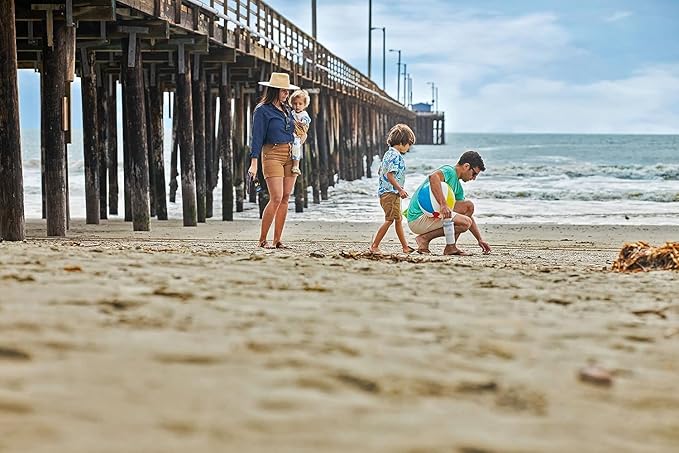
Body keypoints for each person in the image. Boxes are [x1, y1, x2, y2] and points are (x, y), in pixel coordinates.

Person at [247, 72, 303, 249]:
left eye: (287, 91)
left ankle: (277, 240)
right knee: (276, 197)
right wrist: (254, 163)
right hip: (272, 154)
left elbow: (293, 131)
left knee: (286, 197)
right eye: (283, 91)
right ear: (274, 90)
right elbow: (256, 138)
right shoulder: (262, 110)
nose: (287, 94)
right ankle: (262, 240)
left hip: (291, 154)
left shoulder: (287, 109)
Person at [405, 150, 492, 255]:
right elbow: (433, 177)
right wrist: (443, 204)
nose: (473, 178)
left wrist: (479, 239)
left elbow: (467, 214)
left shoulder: (458, 188)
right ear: (466, 166)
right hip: (417, 218)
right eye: (474, 174)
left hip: (428, 218)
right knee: (465, 222)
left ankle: (450, 247)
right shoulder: (449, 171)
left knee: (468, 208)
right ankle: (424, 239)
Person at [369, 124, 417, 254]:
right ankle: (374, 246)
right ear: (401, 142)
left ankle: (405, 247)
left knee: (398, 219)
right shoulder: (395, 156)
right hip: (390, 193)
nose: (409, 147)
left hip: (390, 193)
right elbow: (389, 175)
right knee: (389, 220)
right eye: (409, 144)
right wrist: (400, 189)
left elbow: (381, 171)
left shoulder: (388, 154)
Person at [288, 89, 312, 175]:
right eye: (295, 103)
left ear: (305, 105)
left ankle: (296, 165)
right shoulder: (292, 113)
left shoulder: (304, 114)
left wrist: (303, 123)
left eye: (300, 104)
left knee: (296, 146)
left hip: (298, 134)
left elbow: (307, 120)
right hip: (292, 132)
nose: (297, 106)